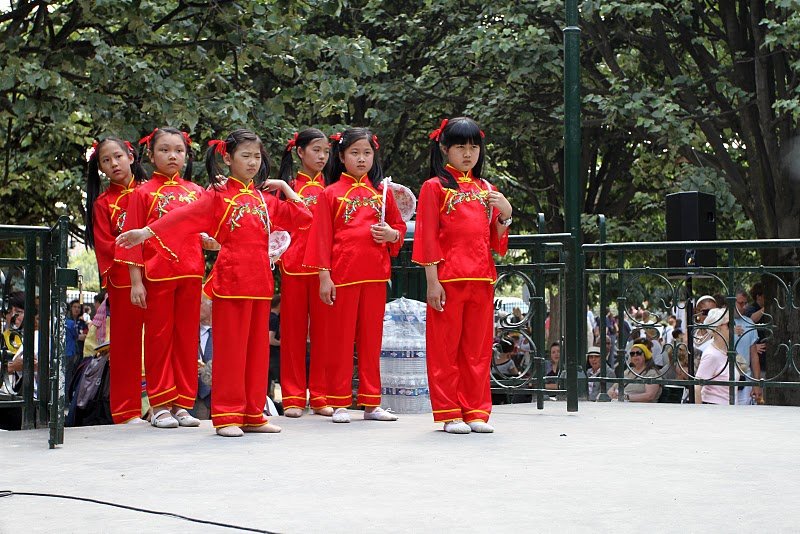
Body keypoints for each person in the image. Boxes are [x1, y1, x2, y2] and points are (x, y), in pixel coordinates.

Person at [118, 128, 311, 437]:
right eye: (245, 156)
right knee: (231, 352)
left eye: (256, 157)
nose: (252, 163)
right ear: (227, 158)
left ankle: (252, 413)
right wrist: (145, 233)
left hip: (260, 282)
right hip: (230, 280)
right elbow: (183, 218)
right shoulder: (217, 197)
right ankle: (226, 415)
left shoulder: (264, 201)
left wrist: (286, 188)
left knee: (256, 352)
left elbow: (304, 218)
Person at [411, 117, 512, 434]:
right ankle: (448, 412)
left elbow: (496, 242)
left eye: (474, 147)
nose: (468, 154)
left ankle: (477, 412)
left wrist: (506, 213)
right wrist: (432, 281)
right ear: (444, 149)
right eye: (460, 147)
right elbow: (427, 236)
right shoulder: (434, 187)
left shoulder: (487, 189)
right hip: (448, 278)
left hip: (482, 278)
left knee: (478, 350)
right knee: (445, 349)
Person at [303, 127, 406, 424]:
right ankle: (338, 402)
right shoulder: (330, 193)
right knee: (340, 340)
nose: (362, 159)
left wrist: (390, 234)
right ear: (342, 156)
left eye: (367, 153)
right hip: (343, 276)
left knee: (372, 340)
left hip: (374, 275)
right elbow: (321, 238)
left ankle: (372, 402)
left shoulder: (382, 193)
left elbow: (398, 230)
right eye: (355, 153)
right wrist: (324, 276)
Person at [115, 127, 208, 429]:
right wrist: (136, 280)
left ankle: (183, 403)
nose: (172, 156)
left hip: (192, 273)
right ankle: (159, 404)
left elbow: (210, 229)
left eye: (178, 150)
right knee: (158, 340)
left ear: (186, 155)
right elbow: (130, 242)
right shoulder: (142, 193)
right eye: (165, 150)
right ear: (151, 154)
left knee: (186, 339)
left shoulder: (196, 192)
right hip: (157, 275)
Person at [85, 137, 149, 424]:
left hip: (160, 274)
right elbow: (106, 245)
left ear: (131, 157)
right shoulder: (103, 203)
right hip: (124, 281)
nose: (113, 164)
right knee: (125, 346)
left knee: (162, 341)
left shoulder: (151, 192)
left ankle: (163, 405)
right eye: (106, 161)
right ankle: (127, 409)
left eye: (117, 157)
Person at [276, 129, 333, 418]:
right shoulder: (284, 186)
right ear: (299, 152)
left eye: (325, 151)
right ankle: (294, 396)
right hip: (293, 265)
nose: (322, 157)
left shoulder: (333, 188)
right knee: (293, 334)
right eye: (316, 150)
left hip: (325, 268)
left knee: (324, 333)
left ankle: (321, 395)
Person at [695, 307, 737, 405]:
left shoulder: (726, 351)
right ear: (717, 328)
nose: (733, 327)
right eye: (729, 324)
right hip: (715, 411)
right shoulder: (712, 355)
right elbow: (697, 387)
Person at [193, 296, 213, 420]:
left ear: (211, 306)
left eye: (199, 303)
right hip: (194, 401)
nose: (194, 306)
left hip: (219, 398)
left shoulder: (226, 332)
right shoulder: (189, 331)